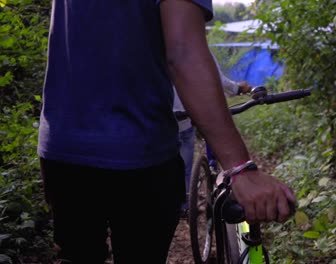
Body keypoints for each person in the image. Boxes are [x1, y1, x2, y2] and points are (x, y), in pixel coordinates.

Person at [38, 0, 296, 263]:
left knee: (78, 255)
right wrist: (240, 168)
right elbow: (184, 53)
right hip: (139, 151)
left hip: (62, 147)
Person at [175, 52, 251, 216]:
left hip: (154, 120)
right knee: (186, 166)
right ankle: (184, 204)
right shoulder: (192, 48)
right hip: (184, 118)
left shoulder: (148, 48)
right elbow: (218, 79)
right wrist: (238, 88)